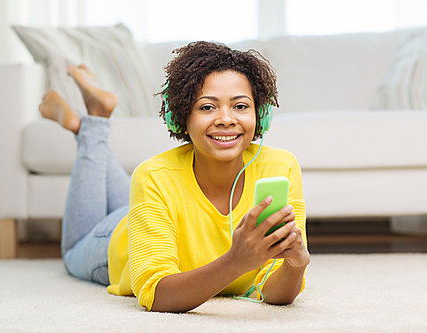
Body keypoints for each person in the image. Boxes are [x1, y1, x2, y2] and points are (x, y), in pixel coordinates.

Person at [39, 41, 310, 313]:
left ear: (260, 116)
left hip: (153, 209)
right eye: (207, 107)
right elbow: (157, 295)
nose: (226, 119)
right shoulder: (153, 176)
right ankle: (91, 124)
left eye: (240, 106)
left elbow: (278, 293)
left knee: (143, 188)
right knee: (73, 252)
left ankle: (88, 123)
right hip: (119, 237)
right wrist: (235, 263)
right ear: (180, 116)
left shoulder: (281, 167)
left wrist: (295, 264)